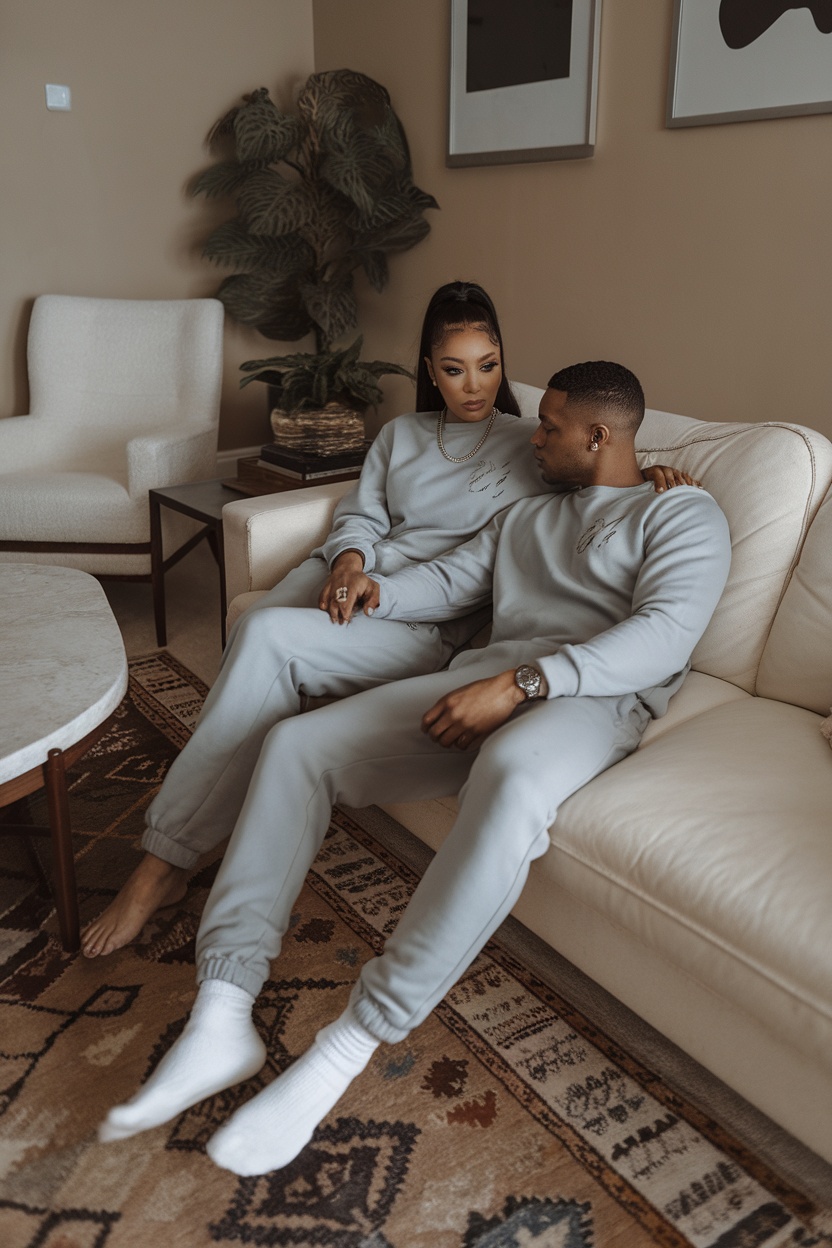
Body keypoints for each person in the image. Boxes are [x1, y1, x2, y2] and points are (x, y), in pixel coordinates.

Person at [98, 361, 731, 1178]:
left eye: (550, 428)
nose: (532, 438)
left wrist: (524, 683)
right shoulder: (528, 518)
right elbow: (446, 581)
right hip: (483, 681)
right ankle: (224, 1006)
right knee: (300, 746)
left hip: (591, 701)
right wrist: (371, 590)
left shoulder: (681, 512)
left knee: (509, 773)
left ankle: (346, 1047)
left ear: (599, 436)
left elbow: (665, 635)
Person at [81, 285, 692, 958]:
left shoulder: (537, 444)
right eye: (455, 368)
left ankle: (162, 862)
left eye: (489, 364)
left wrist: (656, 475)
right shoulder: (401, 434)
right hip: (358, 581)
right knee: (259, 644)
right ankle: (223, 821)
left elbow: (601, 475)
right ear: (429, 369)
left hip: (428, 614)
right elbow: (364, 513)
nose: (475, 385)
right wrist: (348, 559)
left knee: (263, 641)